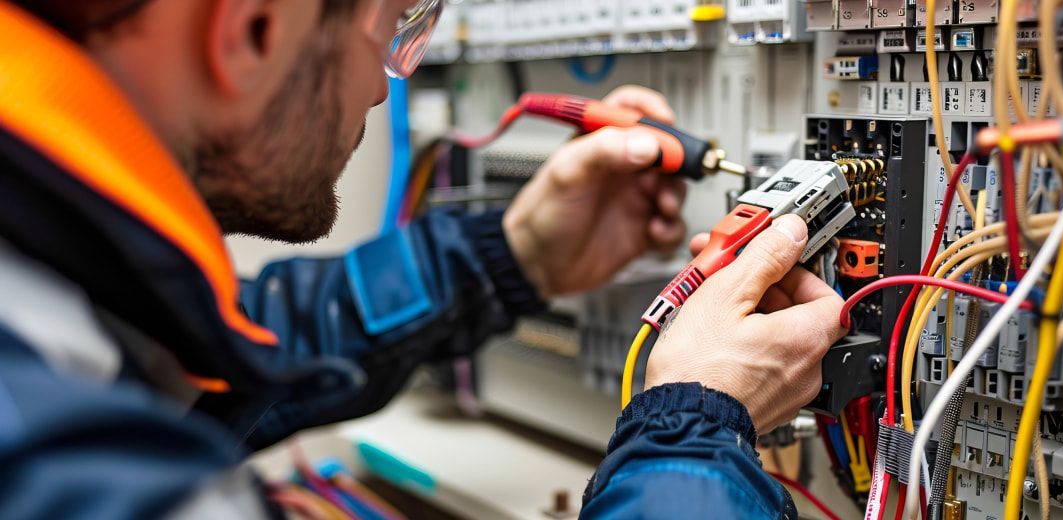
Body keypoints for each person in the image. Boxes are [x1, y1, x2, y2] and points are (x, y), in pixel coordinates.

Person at [0, 0, 845, 517]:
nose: (384, 85)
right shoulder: (52, 458)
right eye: (393, 26)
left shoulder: (45, 296)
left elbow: (217, 353)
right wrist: (691, 427)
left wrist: (512, 258)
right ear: (253, 24)